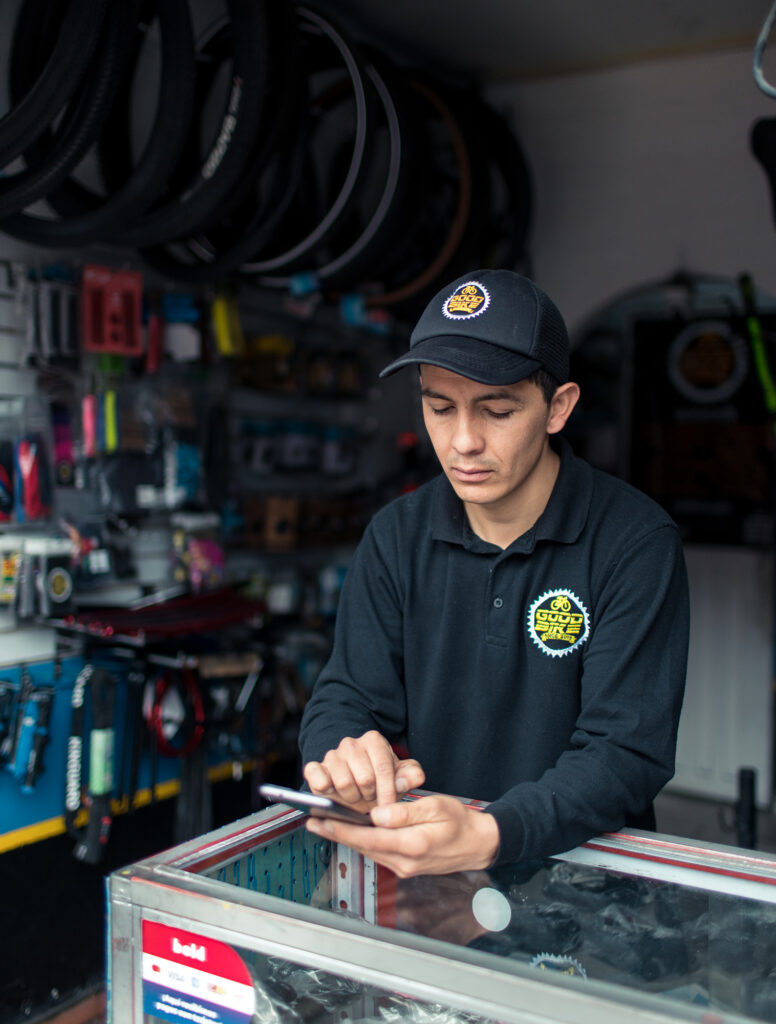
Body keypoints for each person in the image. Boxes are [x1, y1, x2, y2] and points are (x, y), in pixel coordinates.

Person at [298, 269, 690, 878]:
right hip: (435, 878)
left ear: (558, 408)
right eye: (439, 407)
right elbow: (346, 693)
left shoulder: (634, 543)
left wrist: (490, 834)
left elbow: (625, 752)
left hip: (592, 891)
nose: (462, 441)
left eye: (497, 410)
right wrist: (345, 749)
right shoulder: (396, 535)